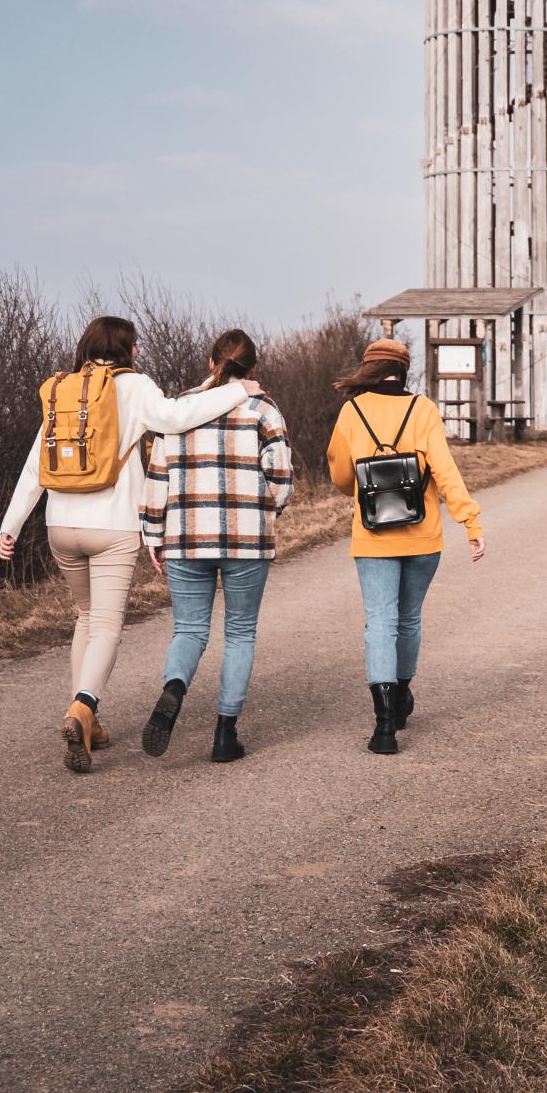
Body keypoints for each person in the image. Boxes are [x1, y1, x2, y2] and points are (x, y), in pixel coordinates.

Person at [0, 314, 253, 772]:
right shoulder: (133, 386)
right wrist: (237, 391)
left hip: (60, 525)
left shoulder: (64, 390)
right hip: (111, 527)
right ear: (125, 349)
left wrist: (11, 525)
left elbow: (36, 463)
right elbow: (175, 418)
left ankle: (88, 722)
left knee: (85, 617)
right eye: (135, 345)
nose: (138, 352)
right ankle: (82, 707)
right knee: (106, 627)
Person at [138, 328, 293, 765]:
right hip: (247, 540)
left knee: (189, 630)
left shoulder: (180, 408)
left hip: (186, 537)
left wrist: (153, 534)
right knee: (240, 632)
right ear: (253, 367)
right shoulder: (264, 408)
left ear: (211, 362)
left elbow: (158, 476)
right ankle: (225, 734)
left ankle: (174, 687)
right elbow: (280, 477)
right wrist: (267, 512)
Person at [326, 334, 485, 755]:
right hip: (422, 534)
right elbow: (445, 470)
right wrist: (469, 521)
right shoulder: (423, 409)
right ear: (404, 370)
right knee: (409, 619)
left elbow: (340, 474)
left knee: (380, 621)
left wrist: (361, 484)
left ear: (369, 368)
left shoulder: (352, 411)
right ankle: (400, 697)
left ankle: (384, 727)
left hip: (372, 535)